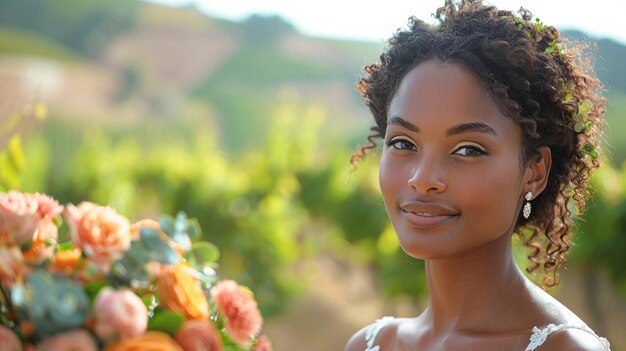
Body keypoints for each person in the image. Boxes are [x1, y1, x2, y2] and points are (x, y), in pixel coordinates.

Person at [344, 0, 611, 350]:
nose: (423, 179)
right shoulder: (370, 344)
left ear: (534, 173)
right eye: (403, 143)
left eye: (468, 150)